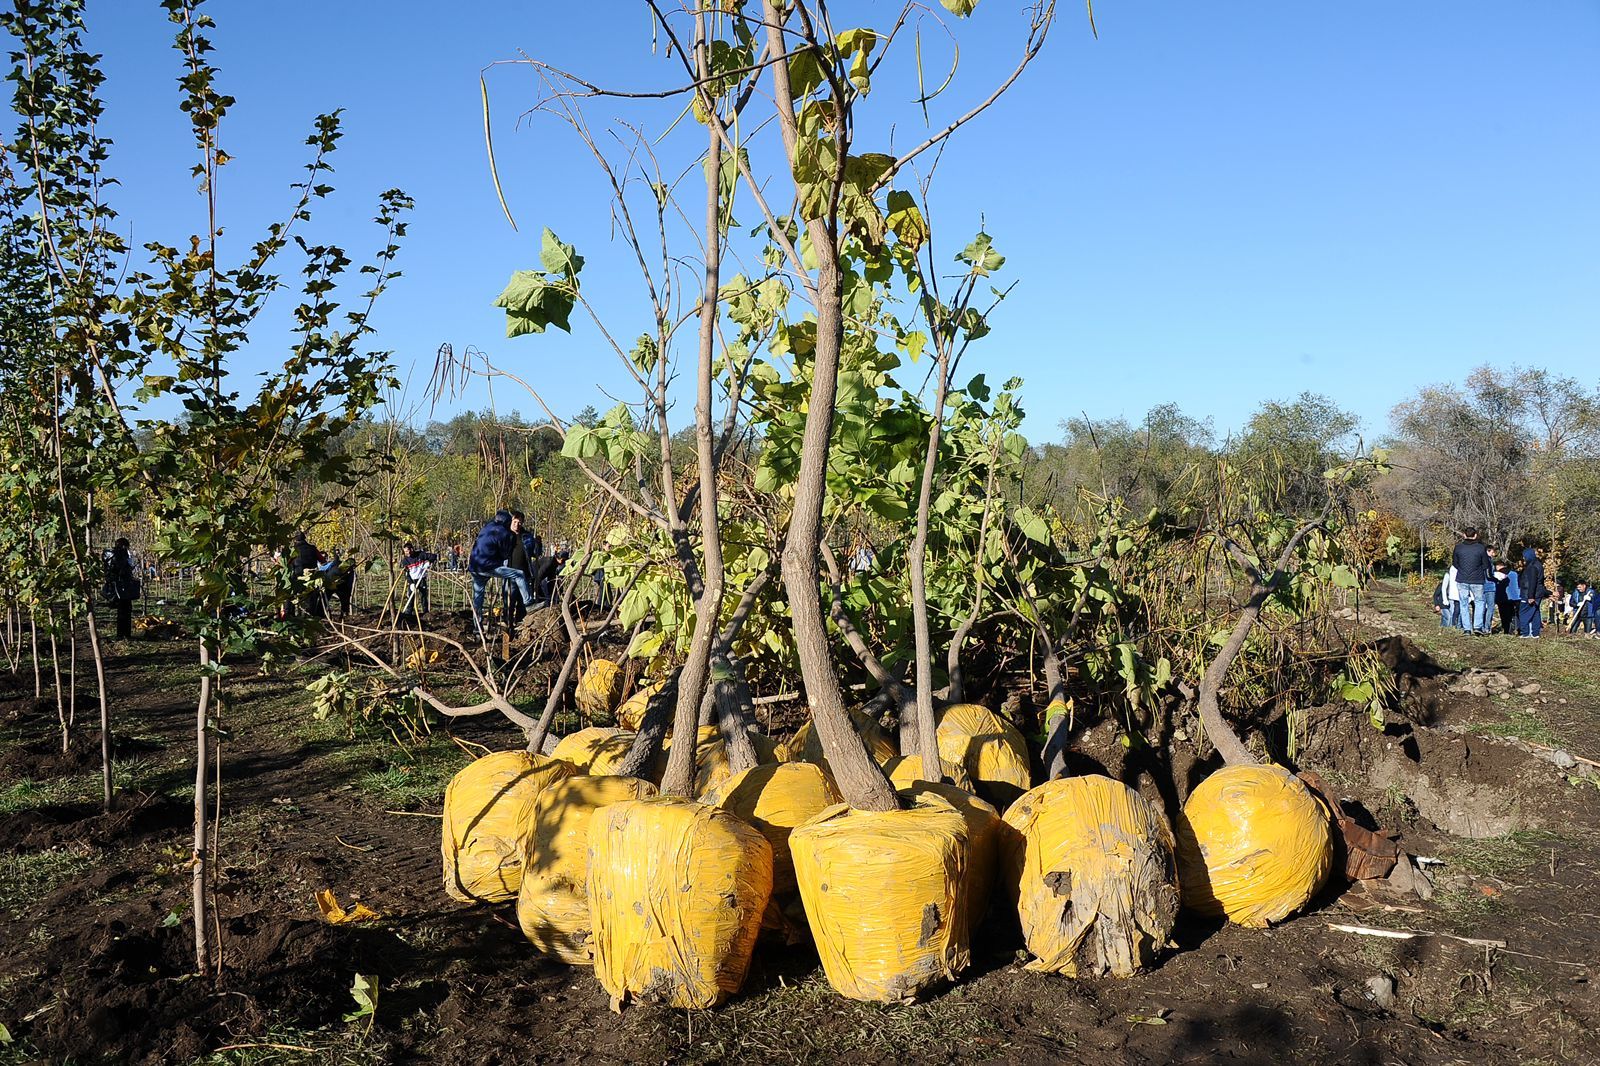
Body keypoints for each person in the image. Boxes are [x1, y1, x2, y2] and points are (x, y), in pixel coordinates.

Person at [469, 509, 534, 628]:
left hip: (474, 567)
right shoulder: (503, 532)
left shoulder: (486, 527)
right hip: (488, 566)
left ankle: (477, 628)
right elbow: (505, 555)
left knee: (478, 599)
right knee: (519, 574)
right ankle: (529, 603)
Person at [1450, 528, 1491, 636]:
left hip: (1462, 578)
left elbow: (1455, 563)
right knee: (1479, 602)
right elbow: (1486, 565)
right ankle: (1478, 626)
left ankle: (1467, 629)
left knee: (1463, 603)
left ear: (1464, 535)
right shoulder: (1481, 548)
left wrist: (1463, 569)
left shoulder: (1458, 548)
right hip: (1477, 579)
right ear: (1476, 535)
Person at [103, 538, 139, 639]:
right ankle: (125, 635)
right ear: (124, 546)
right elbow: (123, 570)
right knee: (125, 611)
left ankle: (121, 634)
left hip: (114, 586)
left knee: (121, 611)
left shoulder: (108, 555)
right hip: (122, 586)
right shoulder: (120, 555)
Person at [400, 541, 437, 619]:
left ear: (412, 549)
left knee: (423, 596)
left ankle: (425, 613)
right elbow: (407, 574)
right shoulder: (405, 561)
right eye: (405, 551)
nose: (406, 553)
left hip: (421, 579)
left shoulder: (421, 555)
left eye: (407, 551)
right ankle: (408, 614)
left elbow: (434, 556)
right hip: (412, 581)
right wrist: (411, 583)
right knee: (411, 597)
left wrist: (429, 562)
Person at [1519, 547, 1546, 638]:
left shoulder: (1532, 567)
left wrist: (1530, 596)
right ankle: (1535, 633)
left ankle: (1525, 633)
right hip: (1538, 593)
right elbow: (1540, 583)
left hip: (1528, 594)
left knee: (1523, 613)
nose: (1523, 559)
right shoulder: (1539, 565)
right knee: (1535, 613)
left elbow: (1532, 582)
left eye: (1524, 556)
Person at [1494, 562, 1520, 636]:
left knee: (1504, 615)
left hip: (1503, 597)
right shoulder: (1514, 573)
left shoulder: (1498, 574)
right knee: (1514, 614)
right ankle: (1516, 628)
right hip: (1516, 596)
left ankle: (1506, 630)